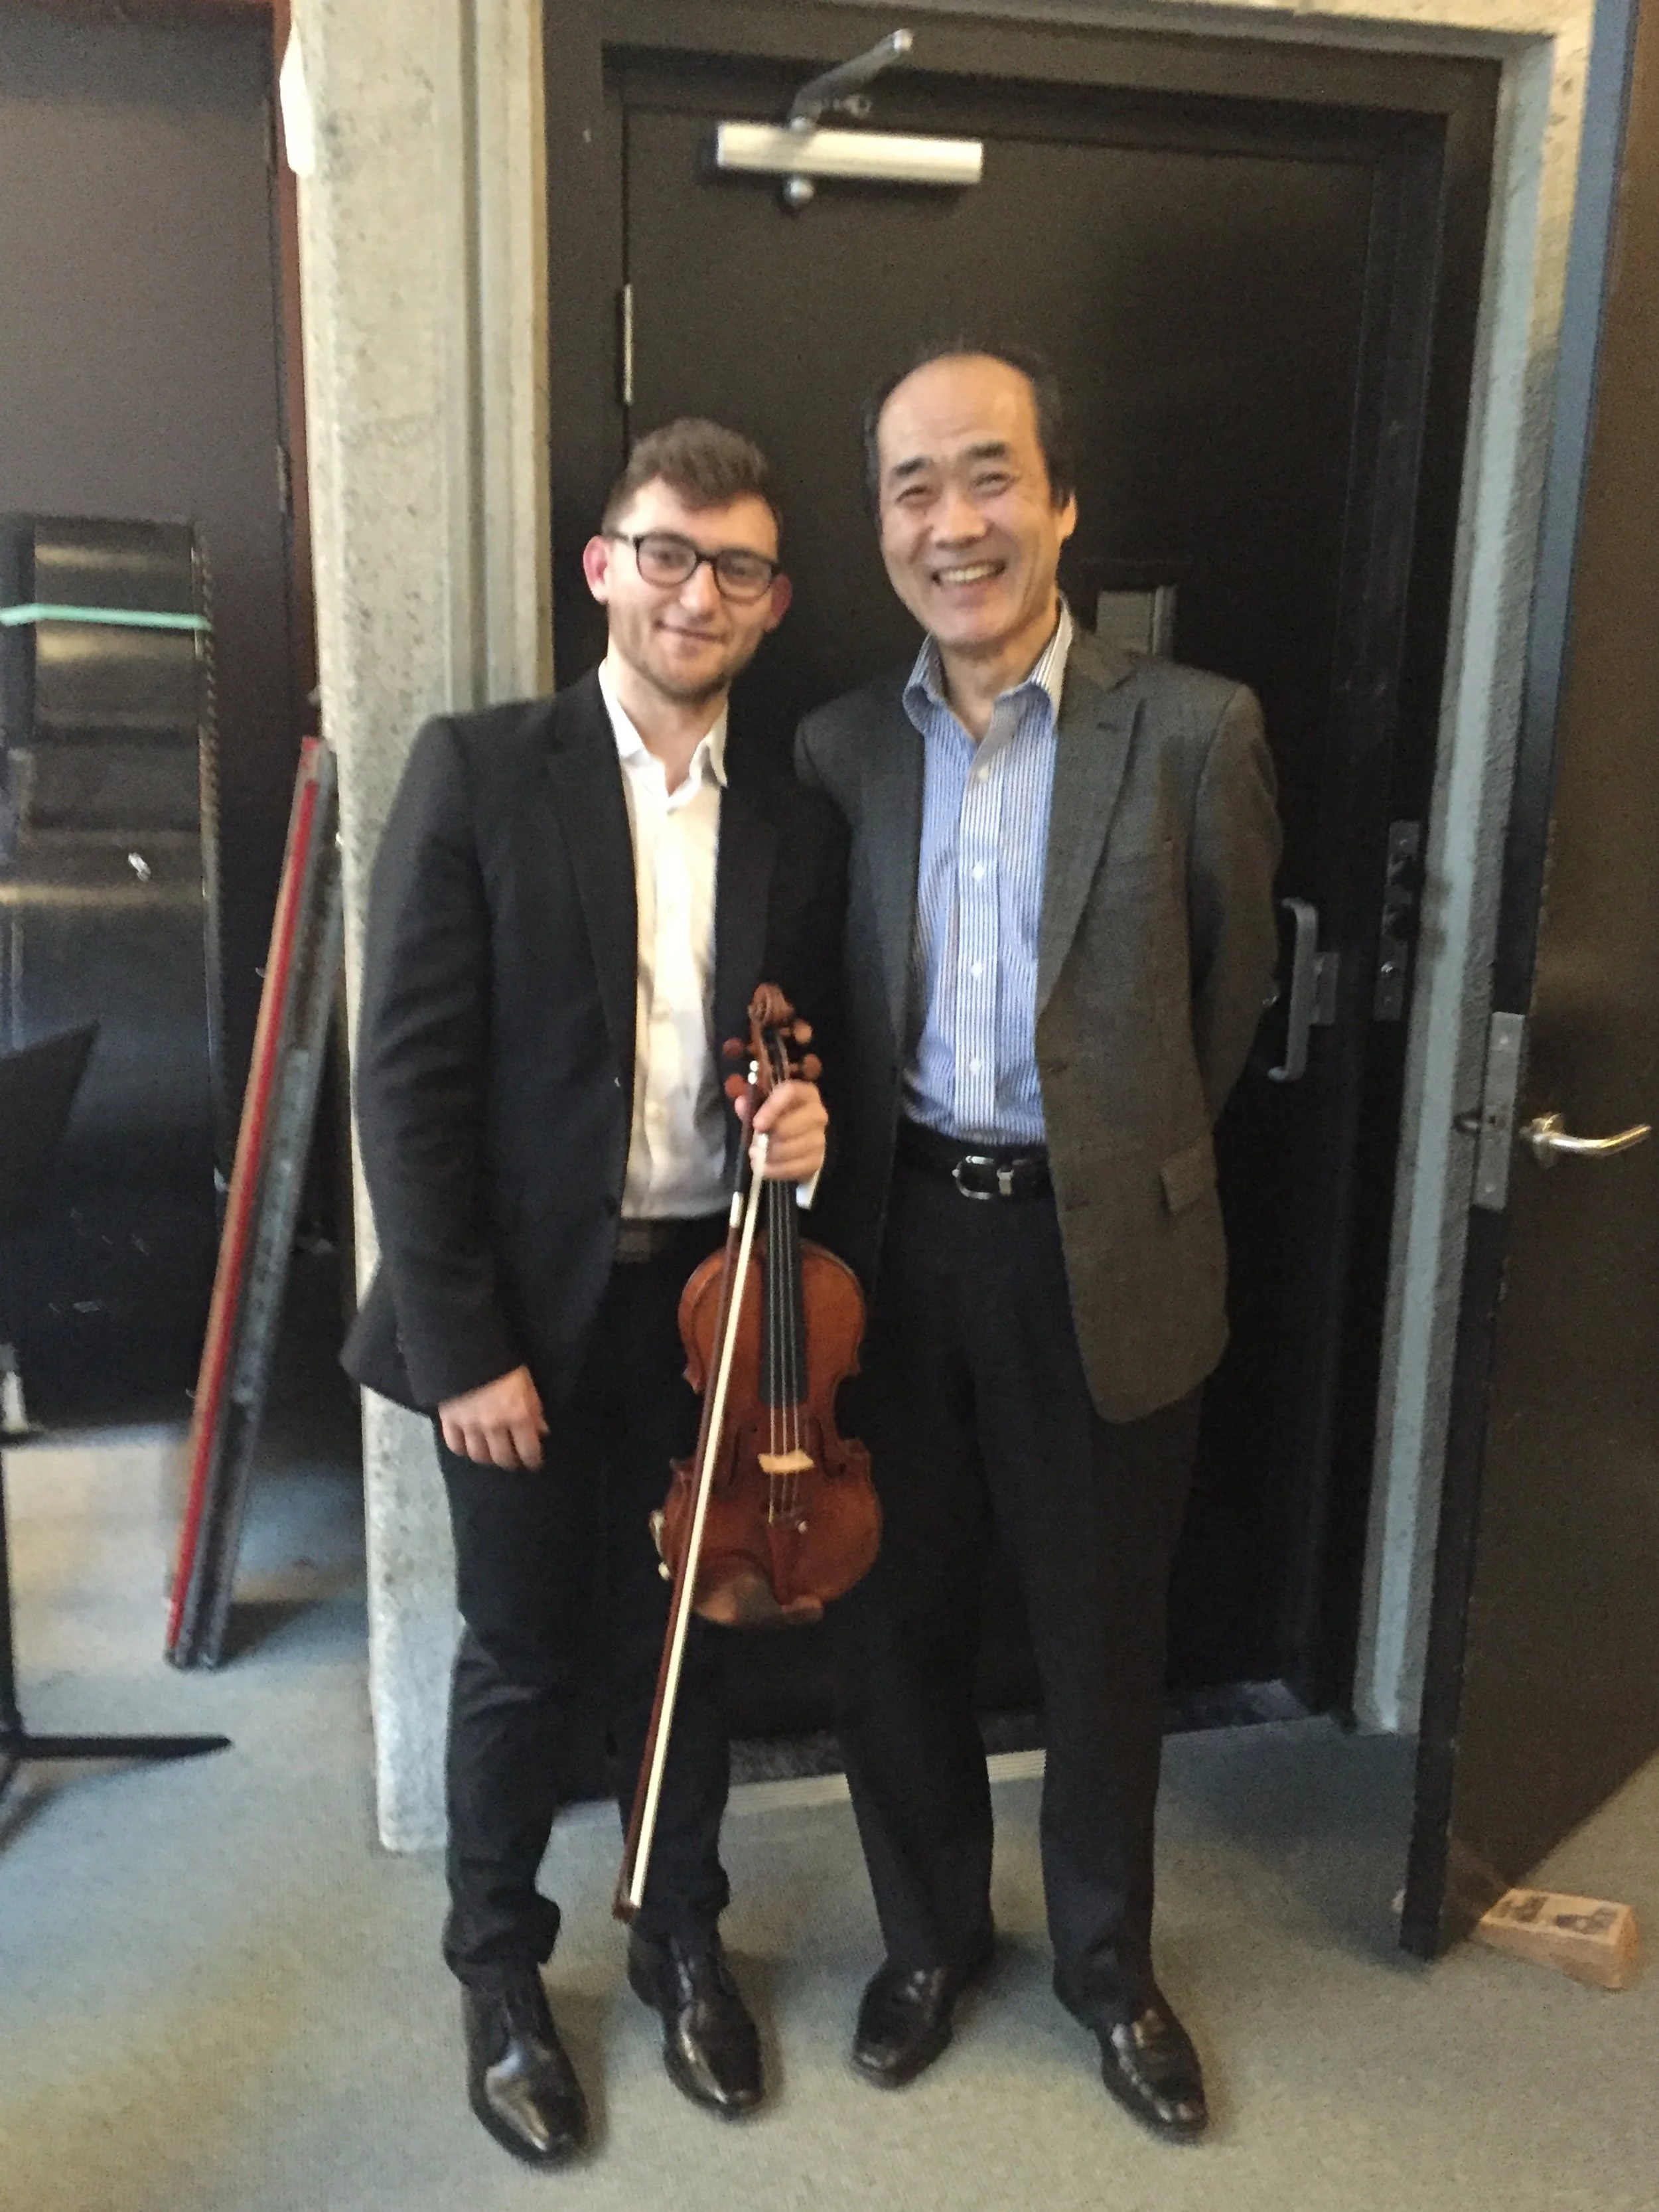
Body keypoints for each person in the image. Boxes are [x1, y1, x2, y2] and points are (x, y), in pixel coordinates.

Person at [346, 419, 844, 2166]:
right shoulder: (482, 769)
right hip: (517, 1318)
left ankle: (681, 1932)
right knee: (517, 1652)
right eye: (664, 552)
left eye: (733, 566)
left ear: (772, 602)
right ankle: (497, 1971)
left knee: (687, 1637)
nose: (693, 591)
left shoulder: (794, 810)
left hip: (704, 1305)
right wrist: (465, 1345)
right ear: (603, 566)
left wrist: (804, 1118)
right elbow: (401, 1084)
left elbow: (808, 1037)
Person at [796, 343, 1280, 2141]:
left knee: (1100, 1639)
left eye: (985, 475)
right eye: (912, 486)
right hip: (895, 1247)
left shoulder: (1193, 729)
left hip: (1103, 1252)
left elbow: (1226, 1001)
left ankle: (1103, 1963)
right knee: (893, 1621)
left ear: (1059, 500)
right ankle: (928, 1939)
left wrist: (1112, 1159)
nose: (951, 521)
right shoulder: (839, 747)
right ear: (881, 527)